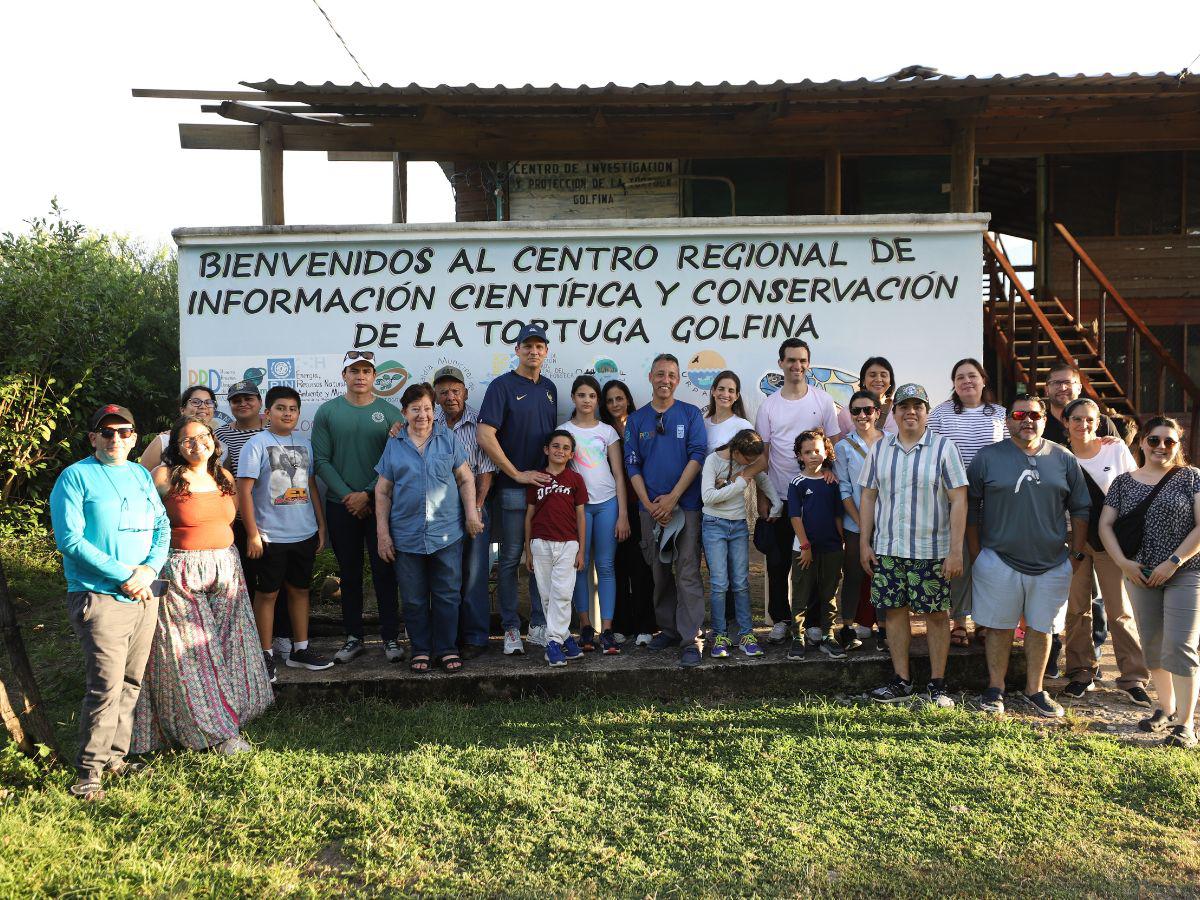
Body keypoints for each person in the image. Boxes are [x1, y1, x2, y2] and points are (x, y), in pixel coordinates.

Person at [132, 416, 272, 756]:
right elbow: (141, 520)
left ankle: (234, 710)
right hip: (180, 569)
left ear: (214, 439)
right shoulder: (164, 476)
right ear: (177, 446)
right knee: (192, 650)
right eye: (188, 439)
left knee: (229, 643)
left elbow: (231, 517)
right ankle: (214, 733)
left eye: (204, 436)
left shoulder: (223, 476)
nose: (198, 444)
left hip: (225, 566)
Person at [50, 404, 170, 800]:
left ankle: (116, 758)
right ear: (93, 438)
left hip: (143, 593)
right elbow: (70, 540)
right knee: (105, 685)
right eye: (107, 432)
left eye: (124, 431)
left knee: (132, 681)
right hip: (99, 595)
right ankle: (89, 772)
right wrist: (125, 575)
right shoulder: (75, 477)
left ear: (135, 437)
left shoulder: (139, 474)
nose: (116, 438)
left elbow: (162, 525)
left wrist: (149, 569)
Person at [968, 395, 1091, 718]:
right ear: (1008, 420)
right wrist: (976, 553)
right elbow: (971, 506)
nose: (1027, 421)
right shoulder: (987, 457)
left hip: (1052, 562)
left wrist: (1076, 554)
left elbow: (1081, 507)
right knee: (998, 627)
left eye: (1034, 415)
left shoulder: (1063, 458)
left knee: (1042, 627)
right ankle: (995, 688)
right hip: (998, 558)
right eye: (1019, 414)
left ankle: (1035, 690)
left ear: (1044, 420)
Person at [859, 384, 967, 708]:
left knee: (936, 615)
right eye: (904, 407)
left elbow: (959, 500)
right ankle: (901, 681)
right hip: (889, 548)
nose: (911, 412)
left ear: (927, 412)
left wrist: (956, 550)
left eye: (917, 406)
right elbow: (868, 496)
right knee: (894, 613)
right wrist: (865, 542)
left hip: (931, 550)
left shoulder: (944, 448)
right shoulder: (880, 449)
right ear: (893, 413)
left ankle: (938, 684)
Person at [1100, 416, 1200, 748]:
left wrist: (1173, 562)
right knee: (1153, 645)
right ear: (1142, 441)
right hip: (1139, 573)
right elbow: (1105, 526)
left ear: (1177, 445)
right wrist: (1123, 563)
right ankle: (1166, 709)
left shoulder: (1191, 477)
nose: (1161, 446)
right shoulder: (1123, 483)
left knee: (1181, 646)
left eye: (1169, 441)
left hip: (1186, 571)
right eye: (1154, 440)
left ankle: (1186, 724)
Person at [376, 383, 483, 673]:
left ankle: (446, 648)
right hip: (406, 534)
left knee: (448, 594)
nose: (422, 415)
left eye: (426, 408)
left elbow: (465, 479)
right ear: (404, 412)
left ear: (433, 411)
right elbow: (383, 491)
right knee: (413, 598)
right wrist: (383, 534)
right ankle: (421, 649)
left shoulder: (448, 439)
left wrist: (471, 514)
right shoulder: (394, 443)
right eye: (415, 409)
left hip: (446, 532)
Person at [312, 351, 405, 665]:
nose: (360, 376)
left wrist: (367, 494)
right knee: (349, 574)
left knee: (385, 572)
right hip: (341, 506)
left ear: (374, 376)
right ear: (344, 376)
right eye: (354, 371)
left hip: (380, 505)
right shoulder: (328, 411)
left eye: (366, 371)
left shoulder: (390, 413)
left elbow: (395, 460)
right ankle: (353, 637)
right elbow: (321, 461)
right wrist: (348, 496)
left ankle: (390, 637)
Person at [237, 386, 333, 682]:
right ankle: (264, 654)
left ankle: (299, 649)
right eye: (281, 408)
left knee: (300, 590)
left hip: (303, 533)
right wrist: (252, 534)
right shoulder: (256, 444)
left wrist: (321, 525)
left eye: (292, 409)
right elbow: (244, 491)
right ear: (268, 413)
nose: (287, 413)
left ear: (299, 413)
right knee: (267, 594)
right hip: (270, 536)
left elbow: (311, 486)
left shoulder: (305, 444)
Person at [1060, 397, 1150, 704]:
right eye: (1076, 419)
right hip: (1073, 538)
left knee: (1119, 609)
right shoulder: (1058, 455)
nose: (1083, 425)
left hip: (1111, 539)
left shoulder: (1115, 449)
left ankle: (1133, 676)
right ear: (1066, 422)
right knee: (1076, 609)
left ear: (1098, 422)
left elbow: (1135, 489)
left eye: (1090, 419)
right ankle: (1080, 672)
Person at [476, 323, 557, 656]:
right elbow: (484, 435)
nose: (533, 351)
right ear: (517, 350)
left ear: (546, 352)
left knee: (540, 558)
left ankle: (538, 625)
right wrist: (517, 474)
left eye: (539, 346)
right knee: (510, 560)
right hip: (512, 489)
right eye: (528, 346)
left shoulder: (550, 388)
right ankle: (511, 628)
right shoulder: (502, 386)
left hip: (543, 490)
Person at [624, 353, 708, 667]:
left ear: (678, 379)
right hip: (651, 510)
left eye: (672, 375)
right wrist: (648, 505)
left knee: (687, 572)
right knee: (659, 573)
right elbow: (632, 464)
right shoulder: (636, 420)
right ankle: (669, 629)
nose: (665, 380)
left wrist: (673, 498)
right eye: (660, 374)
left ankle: (691, 638)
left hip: (685, 507)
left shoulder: (690, 414)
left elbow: (697, 456)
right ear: (650, 377)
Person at [755, 338, 841, 643]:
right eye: (791, 360)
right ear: (781, 363)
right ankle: (780, 619)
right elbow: (763, 456)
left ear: (808, 363)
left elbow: (833, 445)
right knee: (778, 564)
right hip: (780, 498)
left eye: (802, 360)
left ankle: (814, 622)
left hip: (816, 499)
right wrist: (762, 497)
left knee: (815, 562)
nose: (797, 365)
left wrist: (829, 471)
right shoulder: (769, 406)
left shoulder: (823, 401)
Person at [928, 358, 1007, 647]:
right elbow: (930, 451)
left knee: (988, 561)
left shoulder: (1000, 414)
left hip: (993, 499)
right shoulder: (941, 413)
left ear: (983, 380)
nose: (966, 381)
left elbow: (1012, 451)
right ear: (954, 384)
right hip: (954, 499)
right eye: (960, 377)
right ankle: (959, 620)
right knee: (959, 558)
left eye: (972, 375)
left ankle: (984, 620)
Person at [214, 379, 293, 660]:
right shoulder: (220, 435)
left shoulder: (275, 429)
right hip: (238, 521)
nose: (243, 404)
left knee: (280, 583)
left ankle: (282, 635)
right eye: (236, 400)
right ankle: (251, 643)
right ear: (230, 405)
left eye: (249, 398)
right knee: (246, 582)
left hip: (277, 520)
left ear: (260, 403)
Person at [560, 375, 628, 654]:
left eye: (591, 396)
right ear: (573, 398)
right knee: (580, 565)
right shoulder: (564, 431)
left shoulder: (607, 431)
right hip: (578, 508)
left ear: (597, 400)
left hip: (608, 504)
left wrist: (623, 514)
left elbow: (619, 474)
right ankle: (585, 626)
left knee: (606, 565)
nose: (586, 400)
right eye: (581, 395)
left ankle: (607, 629)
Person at [433, 365, 496, 660]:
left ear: (466, 393)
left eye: (455, 391)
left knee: (474, 575)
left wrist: (477, 508)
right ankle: (448, 638)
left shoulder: (479, 423)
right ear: (436, 396)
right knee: (445, 575)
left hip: (474, 507)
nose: (450, 397)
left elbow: (486, 471)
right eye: (444, 392)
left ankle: (475, 637)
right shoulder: (428, 422)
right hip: (438, 512)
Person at [701, 428, 781, 658]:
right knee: (719, 583)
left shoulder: (746, 463)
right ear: (736, 451)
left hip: (738, 525)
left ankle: (747, 635)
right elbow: (707, 497)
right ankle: (720, 636)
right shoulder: (713, 461)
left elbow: (762, 478)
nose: (750, 464)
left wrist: (776, 503)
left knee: (741, 582)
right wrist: (738, 484)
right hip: (714, 524)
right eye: (748, 459)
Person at [524, 429, 588, 665]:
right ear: (546, 450)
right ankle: (566, 639)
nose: (560, 450)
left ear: (571, 454)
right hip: (540, 543)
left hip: (568, 544)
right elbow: (529, 516)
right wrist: (528, 550)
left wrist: (581, 549)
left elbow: (581, 516)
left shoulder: (575, 480)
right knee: (547, 595)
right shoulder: (537, 479)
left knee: (562, 593)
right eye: (556, 446)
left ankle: (552, 643)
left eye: (566, 448)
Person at [602, 380, 657, 646]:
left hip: (640, 504)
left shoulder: (642, 424)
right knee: (617, 566)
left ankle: (646, 625)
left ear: (628, 399)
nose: (615, 404)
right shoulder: (602, 430)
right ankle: (621, 624)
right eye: (610, 400)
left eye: (619, 398)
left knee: (642, 565)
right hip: (611, 506)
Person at [833, 389, 887, 651]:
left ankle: (884, 629)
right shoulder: (843, 447)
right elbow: (844, 489)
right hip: (855, 523)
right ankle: (847, 628)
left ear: (877, 412)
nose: (862, 415)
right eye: (856, 411)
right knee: (853, 573)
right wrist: (862, 524)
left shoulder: (892, 442)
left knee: (885, 576)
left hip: (887, 524)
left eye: (868, 410)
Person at [788, 429, 846, 660]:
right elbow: (795, 517)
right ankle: (797, 637)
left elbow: (837, 516)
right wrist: (805, 546)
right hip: (804, 550)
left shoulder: (832, 482)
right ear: (799, 456)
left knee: (829, 594)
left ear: (826, 452)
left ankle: (828, 636)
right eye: (807, 452)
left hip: (831, 548)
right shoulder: (797, 483)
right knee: (801, 594)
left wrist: (842, 542)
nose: (813, 455)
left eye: (817, 451)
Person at [139, 385, 221, 470]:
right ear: (182, 410)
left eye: (208, 402)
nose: (203, 406)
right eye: (196, 402)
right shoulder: (164, 441)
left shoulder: (220, 443)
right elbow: (141, 475)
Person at [1043, 363, 1118, 445]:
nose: (1062, 388)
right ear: (1046, 390)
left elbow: (1118, 451)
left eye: (1068, 382)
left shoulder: (1102, 423)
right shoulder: (1039, 423)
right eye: (1056, 383)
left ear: (1079, 388)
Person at [837, 357, 899, 437]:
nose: (878, 379)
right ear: (863, 380)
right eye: (872, 375)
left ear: (890, 381)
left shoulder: (899, 411)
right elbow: (840, 443)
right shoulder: (847, 412)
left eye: (883, 375)